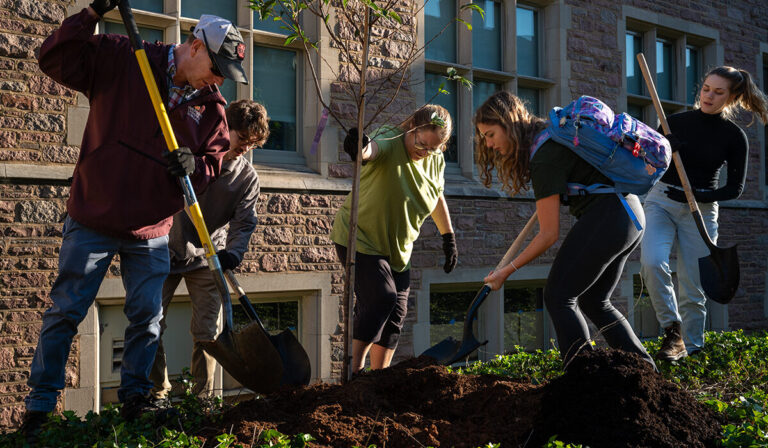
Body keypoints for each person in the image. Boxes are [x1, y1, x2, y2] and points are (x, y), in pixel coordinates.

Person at [21, 0, 249, 441]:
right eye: (217, 67)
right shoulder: (125, 57)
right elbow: (53, 57)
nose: (220, 79)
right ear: (195, 46)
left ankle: (136, 397)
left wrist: (193, 167)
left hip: (151, 229)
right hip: (94, 216)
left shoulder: (212, 107)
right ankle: (40, 407)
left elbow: (212, 163)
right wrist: (89, 15)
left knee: (147, 319)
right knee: (65, 313)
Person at [475, 91, 655, 369]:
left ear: (507, 124)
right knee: (594, 301)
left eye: (490, 135)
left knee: (558, 296)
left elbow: (548, 235)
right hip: (630, 215)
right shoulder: (550, 137)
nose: (488, 144)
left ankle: (581, 381)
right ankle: (646, 370)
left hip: (611, 217)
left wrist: (506, 271)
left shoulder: (544, 156)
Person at [641, 66, 768, 361]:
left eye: (718, 92)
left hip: (701, 211)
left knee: (693, 285)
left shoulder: (734, 137)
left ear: (733, 96)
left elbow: (734, 188)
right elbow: (646, 169)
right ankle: (673, 332)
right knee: (652, 262)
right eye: (706, 88)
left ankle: (693, 349)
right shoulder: (672, 123)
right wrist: (661, 150)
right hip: (661, 201)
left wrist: (699, 195)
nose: (709, 96)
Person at [149, 100, 269, 399]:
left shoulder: (247, 178)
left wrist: (234, 253)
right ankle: (156, 395)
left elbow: (244, 222)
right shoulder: (193, 152)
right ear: (225, 127)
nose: (245, 148)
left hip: (207, 256)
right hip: (164, 247)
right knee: (149, 324)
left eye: (253, 144)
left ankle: (200, 402)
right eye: (242, 138)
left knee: (209, 334)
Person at [331, 105, 459, 373]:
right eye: (421, 144)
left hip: (398, 247)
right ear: (411, 127)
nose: (424, 152)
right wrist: (360, 147)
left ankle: (380, 377)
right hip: (360, 237)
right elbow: (371, 151)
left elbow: (435, 194)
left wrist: (448, 237)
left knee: (396, 314)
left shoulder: (435, 159)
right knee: (381, 298)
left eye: (433, 149)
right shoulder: (390, 138)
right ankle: (354, 372)